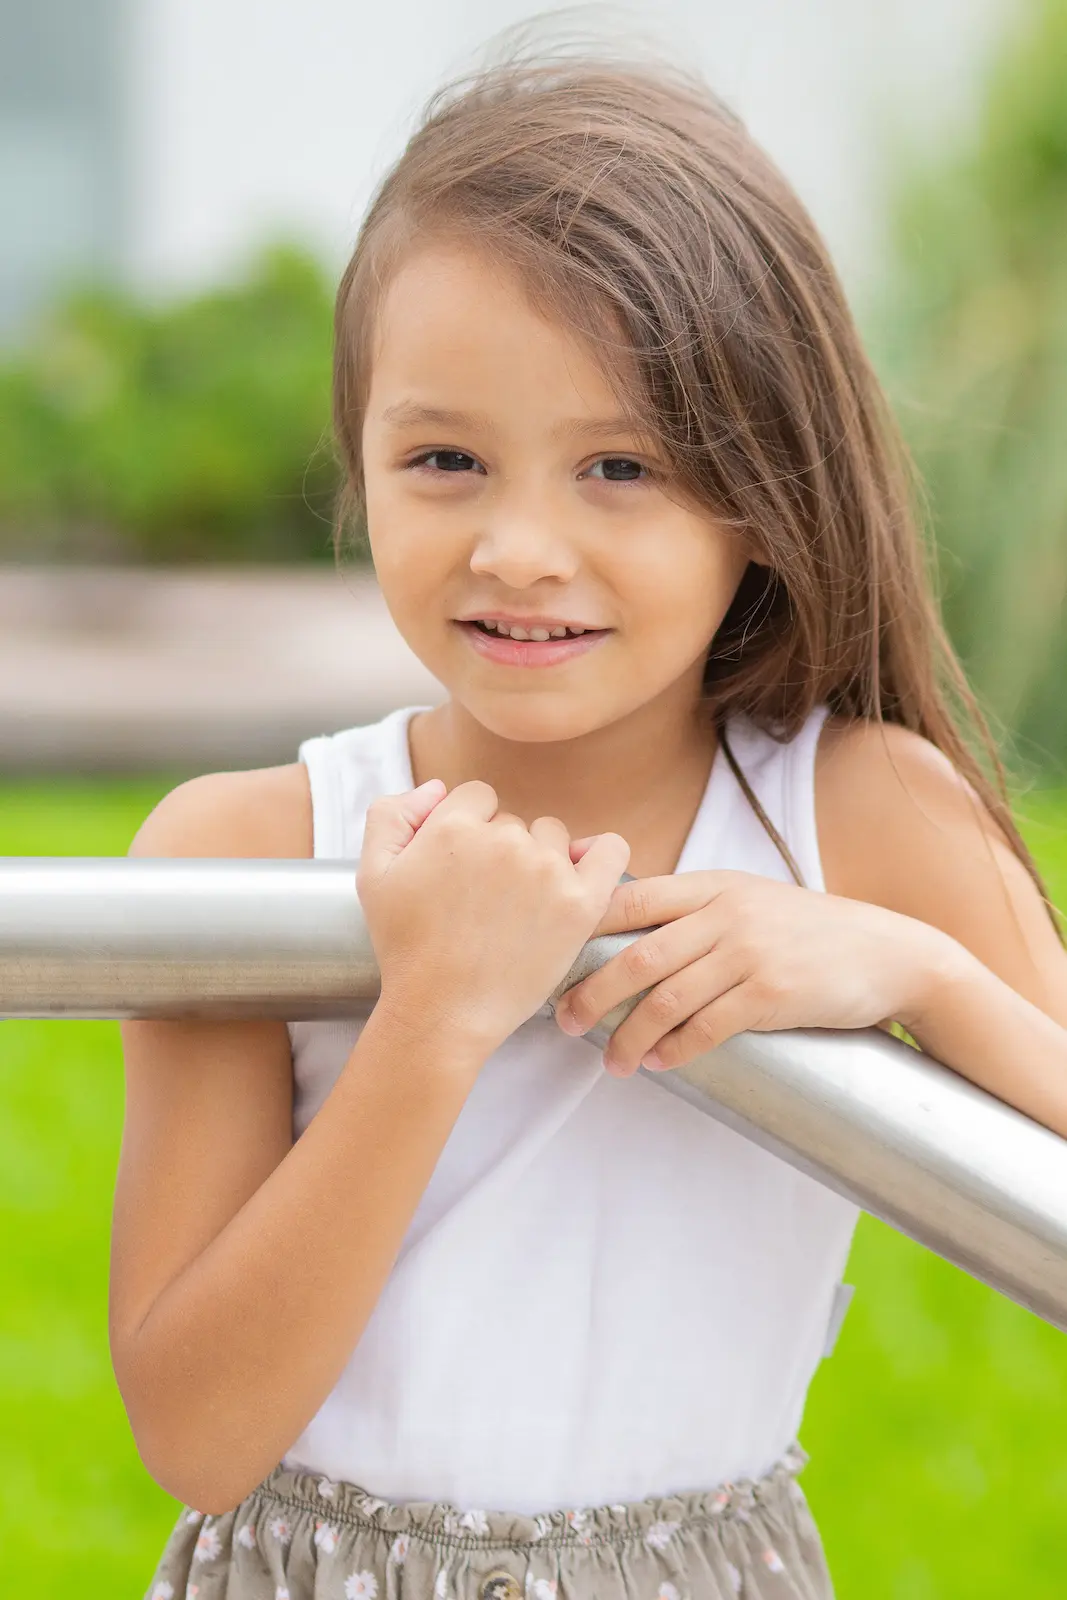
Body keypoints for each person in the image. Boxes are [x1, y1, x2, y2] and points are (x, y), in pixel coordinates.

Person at [114, 44, 1067, 1600]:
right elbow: (198, 1435)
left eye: (619, 466)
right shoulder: (246, 849)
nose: (517, 547)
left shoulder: (862, 815)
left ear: (758, 491)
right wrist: (431, 1018)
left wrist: (917, 973)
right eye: (444, 459)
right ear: (358, 457)